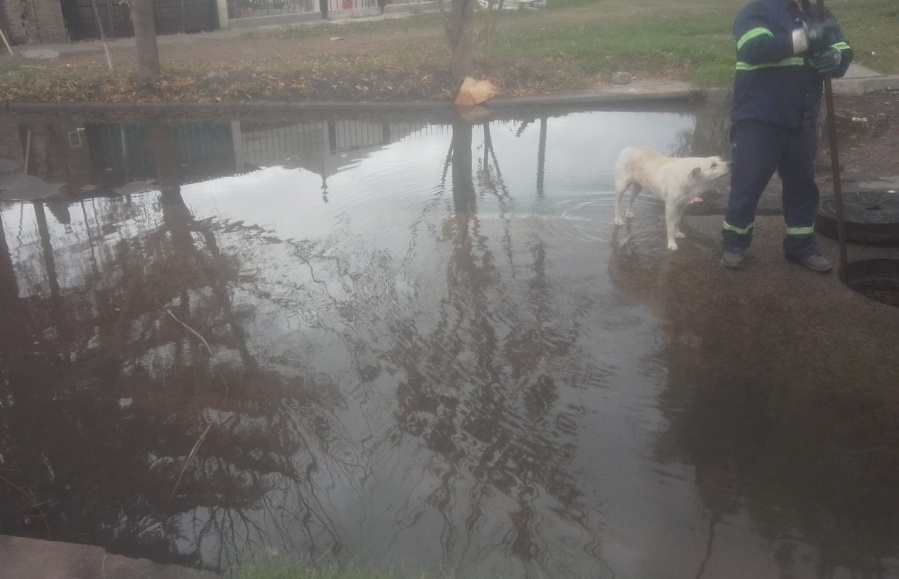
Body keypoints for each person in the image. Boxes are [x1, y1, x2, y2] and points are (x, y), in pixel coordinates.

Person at [720, 0, 852, 272]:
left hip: (802, 118)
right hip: (760, 119)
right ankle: (734, 243)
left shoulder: (821, 13)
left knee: (803, 186)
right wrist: (808, 38)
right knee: (747, 186)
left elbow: (841, 45)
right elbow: (753, 48)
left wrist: (838, 58)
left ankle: (801, 246)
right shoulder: (757, 11)